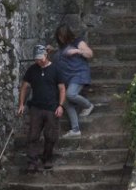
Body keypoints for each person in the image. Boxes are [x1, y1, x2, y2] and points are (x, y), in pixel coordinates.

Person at [18, 44, 65, 172]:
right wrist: (21, 104)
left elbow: (62, 88)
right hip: (36, 107)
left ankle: (47, 158)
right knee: (33, 135)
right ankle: (32, 161)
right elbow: (24, 87)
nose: (39, 61)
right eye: (36, 59)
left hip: (51, 107)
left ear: (46, 55)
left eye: (40, 58)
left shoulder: (55, 69)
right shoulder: (32, 70)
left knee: (51, 136)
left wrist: (60, 106)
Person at [53, 24, 94, 135]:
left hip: (79, 74)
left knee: (70, 94)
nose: (61, 38)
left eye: (62, 36)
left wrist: (78, 51)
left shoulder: (78, 42)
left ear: (67, 35)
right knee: (65, 101)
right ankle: (75, 129)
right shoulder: (62, 47)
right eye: (59, 36)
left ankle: (88, 105)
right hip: (67, 77)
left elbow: (89, 53)